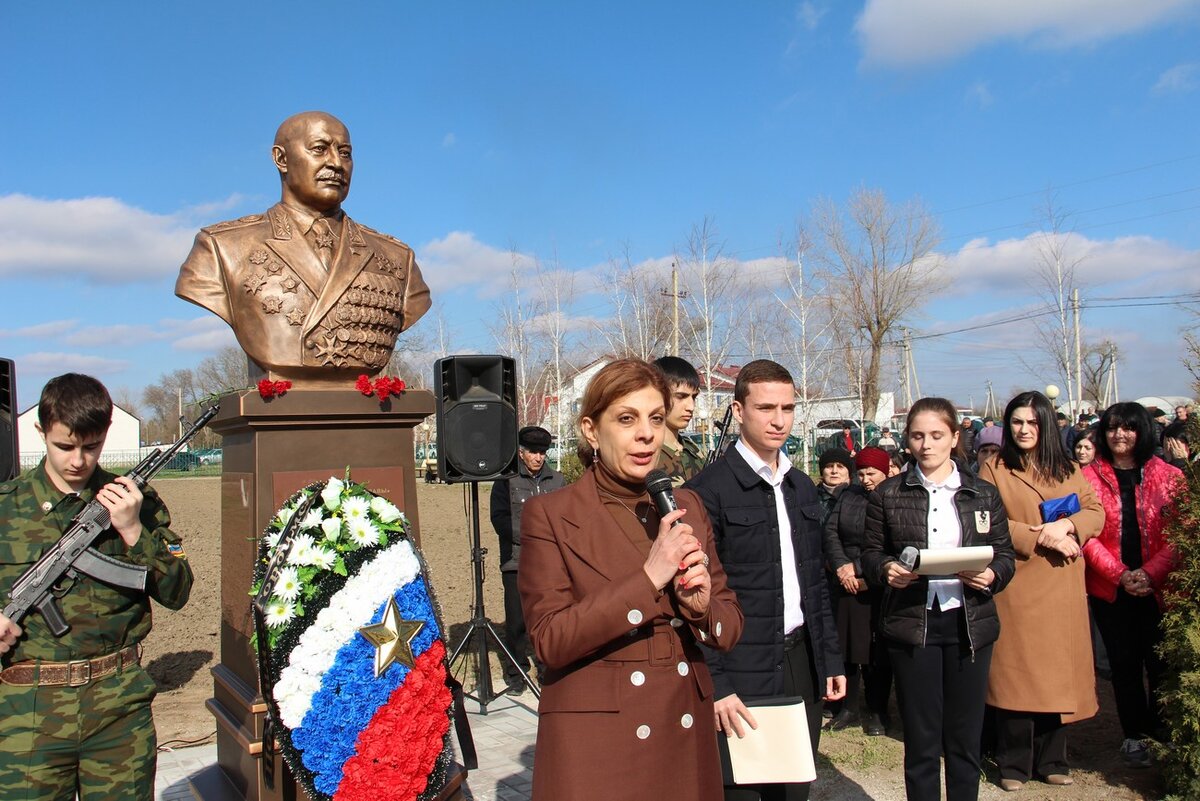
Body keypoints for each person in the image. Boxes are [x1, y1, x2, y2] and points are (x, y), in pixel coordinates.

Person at [519, 359, 743, 801]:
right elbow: (549, 639)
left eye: (656, 419)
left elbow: (730, 623)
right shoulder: (550, 515)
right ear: (590, 429)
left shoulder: (687, 506)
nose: (646, 434)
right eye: (627, 419)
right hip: (601, 738)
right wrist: (648, 579)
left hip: (681, 722)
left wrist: (701, 611)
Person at [0, 374, 193, 799]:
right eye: (64, 446)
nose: (77, 461)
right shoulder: (5, 507)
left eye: (91, 446)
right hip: (26, 713)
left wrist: (132, 531)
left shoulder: (135, 502)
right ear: (40, 432)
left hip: (118, 706)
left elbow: (178, 592)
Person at [686, 359, 845, 801]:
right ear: (738, 411)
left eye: (788, 408)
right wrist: (717, 685)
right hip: (740, 666)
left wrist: (829, 659)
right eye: (766, 408)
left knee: (794, 790)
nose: (779, 420)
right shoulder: (707, 491)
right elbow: (694, 599)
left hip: (800, 663)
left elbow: (814, 583)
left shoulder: (801, 486)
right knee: (742, 791)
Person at [176, 111, 431, 383]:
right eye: (319, 149)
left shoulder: (397, 257)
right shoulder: (220, 247)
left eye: (345, 153)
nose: (336, 163)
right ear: (281, 159)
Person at [861, 396, 1015, 801]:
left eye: (935, 435)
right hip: (913, 624)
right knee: (922, 737)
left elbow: (1005, 554)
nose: (926, 444)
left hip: (970, 622)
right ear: (907, 440)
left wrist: (992, 574)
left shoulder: (982, 493)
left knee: (965, 738)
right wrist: (885, 570)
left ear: (954, 437)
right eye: (917, 436)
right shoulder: (888, 494)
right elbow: (872, 552)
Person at [979, 392, 1105, 791]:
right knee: (1016, 677)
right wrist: (1043, 537)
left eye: (1033, 422)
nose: (1024, 429)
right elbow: (988, 519)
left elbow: (1094, 511)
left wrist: (1066, 527)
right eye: (1017, 422)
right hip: (1018, 583)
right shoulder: (994, 466)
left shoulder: (1066, 467)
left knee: (1056, 676)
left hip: (1060, 584)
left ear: (1047, 424)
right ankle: (1014, 764)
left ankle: (1053, 758)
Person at [1082, 402, 1185, 769]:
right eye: (1111, 428)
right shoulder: (1087, 478)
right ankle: (1134, 736)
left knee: (1159, 664)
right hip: (1111, 589)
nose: (1119, 435)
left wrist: (1150, 573)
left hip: (1159, 587)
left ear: (1143, 431)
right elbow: (1086, 536)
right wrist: (1120, 575)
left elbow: (1180, 534)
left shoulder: (1169, 476)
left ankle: (1162, 734)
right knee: (1123, 665)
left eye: (1128, 427)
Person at [823, 446, 894, 736]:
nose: (866, 479)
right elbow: (831, 532)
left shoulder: (894, 497)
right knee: (848, 647)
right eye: (861, 473)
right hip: (847, 583)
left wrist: (864, 572)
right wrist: (842, 567)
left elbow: (894, 543)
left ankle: (878, 710)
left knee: (876, 652)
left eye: (872, 473)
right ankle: (849, 707)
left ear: (885, 472)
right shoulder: (847, 496)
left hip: (878, 582)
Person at [490, 425, 565, 695]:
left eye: (543, 452)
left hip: (551, 565)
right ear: (521, 453)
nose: (539, 457)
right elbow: (500, 520)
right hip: (516, 562)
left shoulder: (557, 481)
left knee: (547, 617)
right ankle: (516, 673)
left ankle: (548, 669)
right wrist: (535, 539)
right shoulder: (505, 481)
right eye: (533, 452)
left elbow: (565, 519)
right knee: (517, 622)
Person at [653, 356, 705, 486]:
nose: (691, 407)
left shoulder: (694, 451)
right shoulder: (646, 454)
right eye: (681, 396)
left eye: (694, 397)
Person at [816, 448, 853, 523]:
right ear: (822, 471)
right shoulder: (811, 498)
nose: (834, 471)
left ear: (848, 472)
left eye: (840, 466)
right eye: (829, 466)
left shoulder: (858, 497)